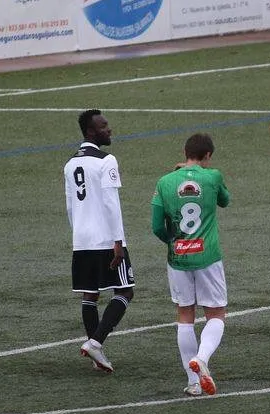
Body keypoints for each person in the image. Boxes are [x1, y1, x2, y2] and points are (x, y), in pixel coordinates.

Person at [151, 133, 230, 396]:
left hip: (178, 258)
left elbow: (156, 226)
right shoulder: (213, 176)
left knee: (185, 315)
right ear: (207, 155)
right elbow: (225, 200)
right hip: (208, 257)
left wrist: (172, 242)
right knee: (216, 314)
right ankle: (202, 358)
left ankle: (193, 383)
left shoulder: (164, 181)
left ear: (185, 153)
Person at [64, 109, 135, 372]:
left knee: (90, 294)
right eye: (104, 126)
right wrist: (118, 241)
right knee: (125, 291)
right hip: (105, 238)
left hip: (81, 239)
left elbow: (70, 205)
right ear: (91, 131)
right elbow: (110, 202)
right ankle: (95, 342)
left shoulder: (70, 164)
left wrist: (78, 234)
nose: (109, 129)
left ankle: (96, 354)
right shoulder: (106, 160)